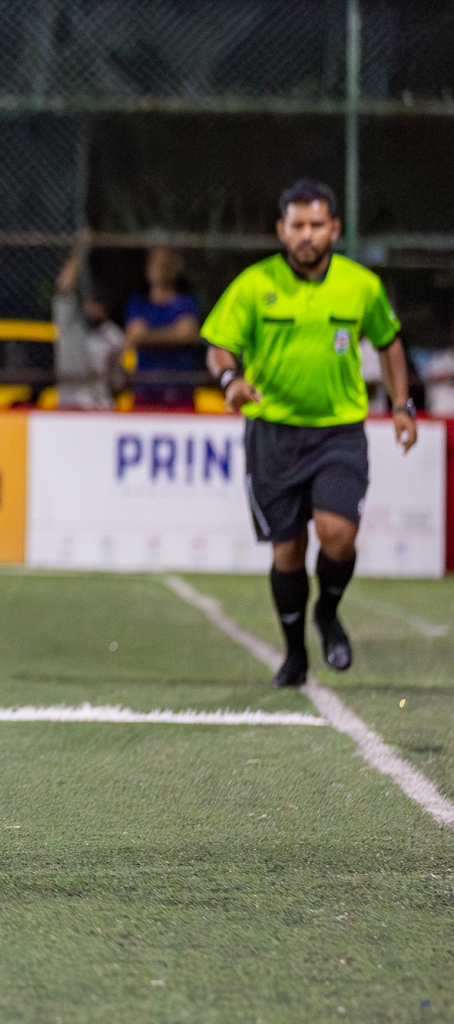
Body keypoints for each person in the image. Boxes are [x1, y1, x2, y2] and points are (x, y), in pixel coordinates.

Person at [203, 179, 416, 689]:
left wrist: (403, 405)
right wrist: (231, 381)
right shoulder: (255, 284)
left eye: (317, 225)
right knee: (288, 551)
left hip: (338, 431)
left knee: (338, 534)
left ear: (334, 229)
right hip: (273, 433)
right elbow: (217, 345)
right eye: (297, 225)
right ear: (281, 230)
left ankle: (329, 612)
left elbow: (389, 343)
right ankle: (296, 655)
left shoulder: (361, 285)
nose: (307, 235)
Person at [52, 233, 125, 410]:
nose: (96, 306)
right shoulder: (71, 323)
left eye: (101, 301)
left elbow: (118, 385)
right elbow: (63, 289)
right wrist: (79, 251)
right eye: (94, 299)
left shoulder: (113, 335)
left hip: (101, 408)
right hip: (70, 406)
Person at [125, 246, 203, 407]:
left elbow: (188, 335)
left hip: (181, 393)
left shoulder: (187, 302)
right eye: (156, 264)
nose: (161, 269)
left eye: (166, 264)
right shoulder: (138, 302)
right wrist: (174, 334)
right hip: (145, 393)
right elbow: (135, 336)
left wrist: (149, 336)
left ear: (174, 269)